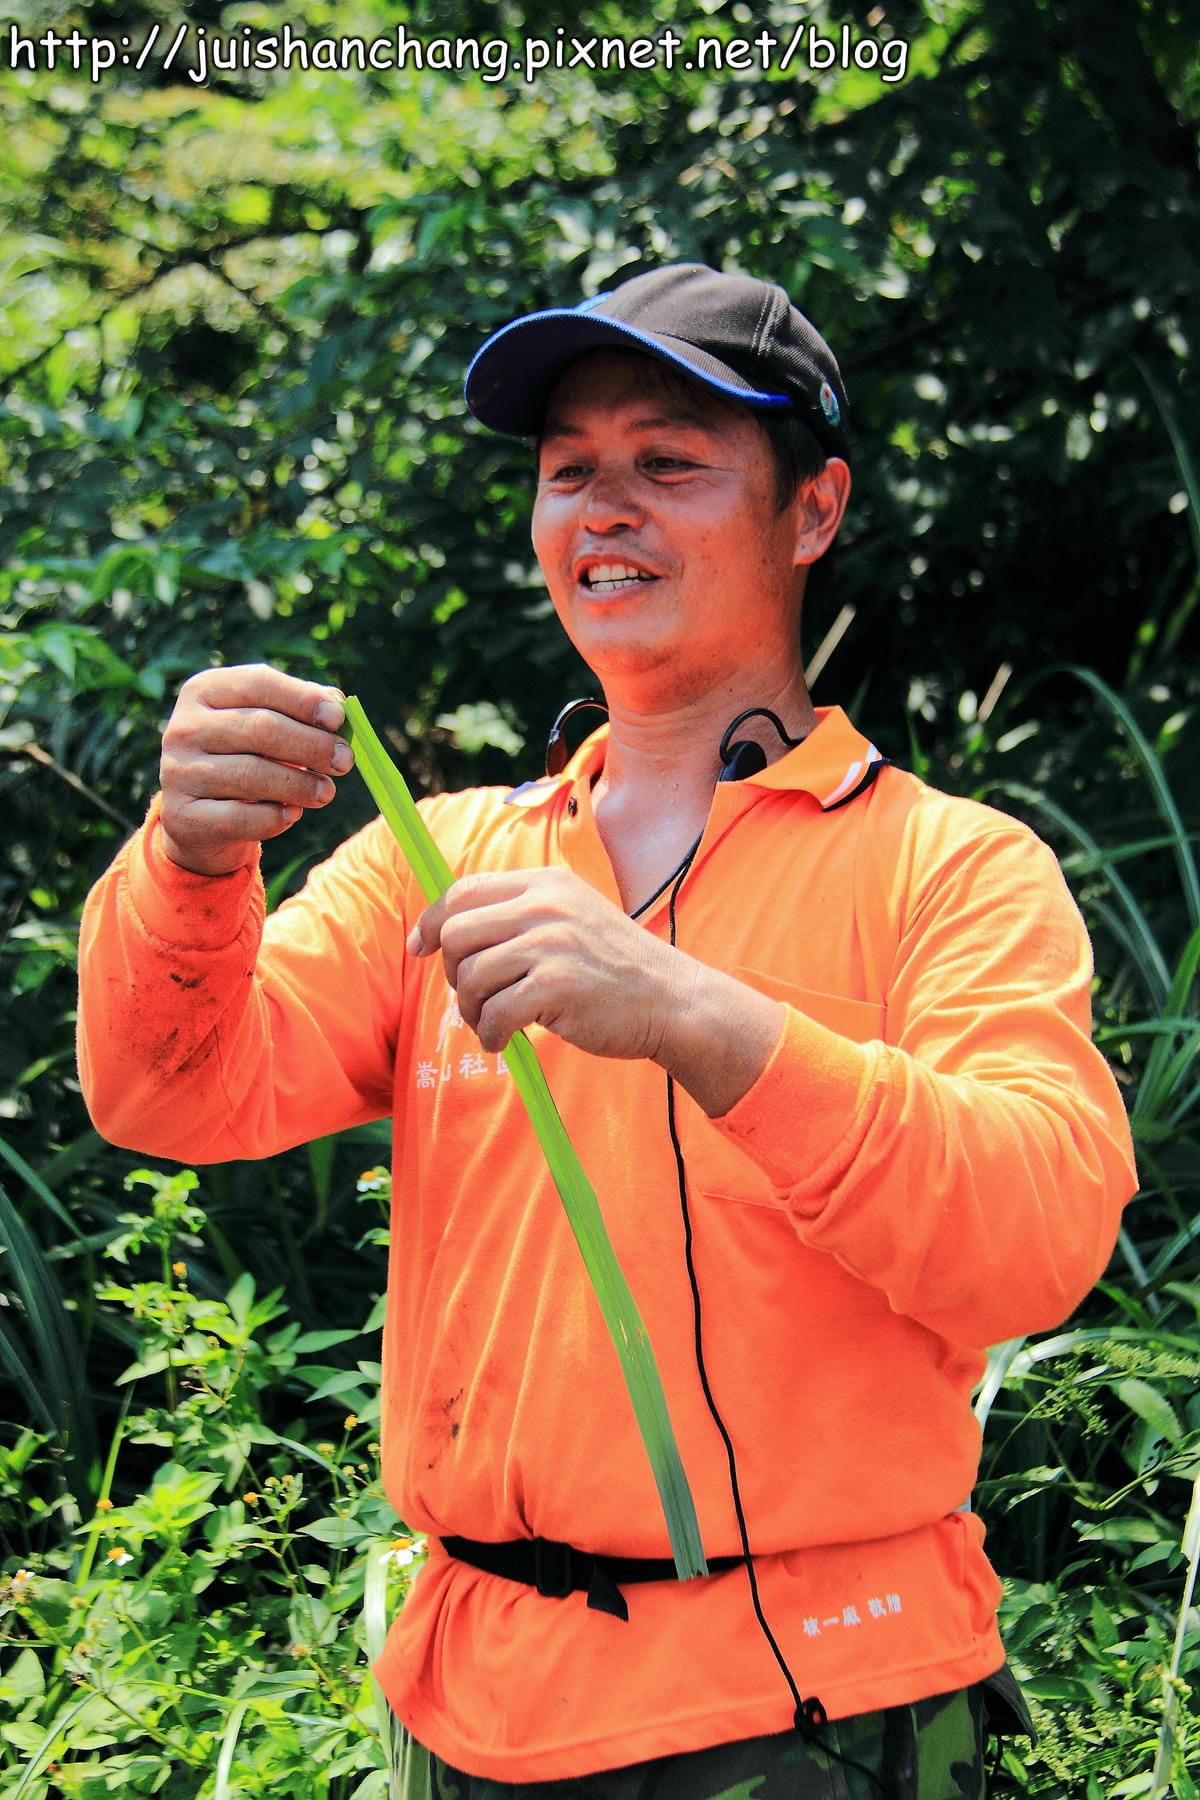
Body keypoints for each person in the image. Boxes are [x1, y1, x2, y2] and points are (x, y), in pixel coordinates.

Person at [77, 264, 1137, 1799]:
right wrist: (186, 865)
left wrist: (704, 1021)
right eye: (570, 471)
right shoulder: (432, 859)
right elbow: (171, 1094)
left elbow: (1035, 1238)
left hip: (817, 1714)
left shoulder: (949, 865)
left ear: (814, 511)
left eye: (670, 463)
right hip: (467, 1708)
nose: (605, 507)